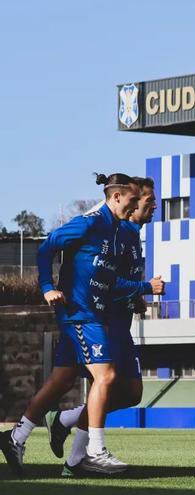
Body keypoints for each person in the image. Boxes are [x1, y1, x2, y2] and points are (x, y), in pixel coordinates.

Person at [0, 173, 152, 476]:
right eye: (135, 200)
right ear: (117, 197)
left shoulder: (114, 228)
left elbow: (102, 274)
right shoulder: (91, 222)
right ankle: (91, 451)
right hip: (80, 313)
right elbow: (47, 247)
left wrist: (135, 294)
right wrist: (46, 287)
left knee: (63, 380)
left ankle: (19, 437)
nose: (137, 207)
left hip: (93, 313)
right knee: (106, 378)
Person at [51, 177, 163, 477]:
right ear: (131, 200)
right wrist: (144, 288)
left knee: (131, 394)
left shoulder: (133, 235)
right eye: (149, 199)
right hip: (105, 322)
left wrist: (136, 297)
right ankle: (79, 458)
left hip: (121, 322)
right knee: (107, 381)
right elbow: (105, 282)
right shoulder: (120, 232)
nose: (154, 205)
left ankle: (68, 421)